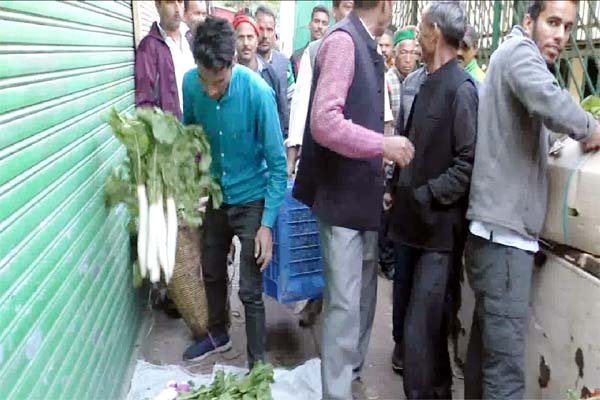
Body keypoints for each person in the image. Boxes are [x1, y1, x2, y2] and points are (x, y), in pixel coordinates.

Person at [464, 1, 600, 398]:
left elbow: (530, 130)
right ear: (528, 21)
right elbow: (550, 101)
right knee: (505, 374)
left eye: (568, 27)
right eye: (552, 22)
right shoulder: (520, 53)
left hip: (492, 235)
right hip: (505, 241)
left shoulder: (507, 60)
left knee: (484, 357)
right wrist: (590, 127)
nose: (560, 35)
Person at [293, 1, 415, 398]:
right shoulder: (344, 43)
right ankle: (337, 391)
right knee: (345, 310)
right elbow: (325, 122)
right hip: (342, 204)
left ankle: (347, 378)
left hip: (361, 200)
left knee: (361, 303)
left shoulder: (366, 44)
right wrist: (383, 145)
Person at [180, 17, 287, 368]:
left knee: (249, 288)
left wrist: (267, 225)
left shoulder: (258, 93)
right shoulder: (190, 86)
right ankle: (217, 333)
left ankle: (257, 364)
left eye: (220, 82)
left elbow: (277, 164)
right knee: (211, 270)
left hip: (252, 198)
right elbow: (191, 138)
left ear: (232, 65)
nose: (210, 90)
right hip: (214, 196)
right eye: (205, 80)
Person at [387, 2, 478, 398]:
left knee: (422, 334)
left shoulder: (462, 89)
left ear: (435, 33)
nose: (416, 35)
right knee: (414, 333)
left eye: (421, 29)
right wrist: (395, 187)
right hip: (409, 229)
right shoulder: (424, 83)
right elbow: (411, 146)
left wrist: (426, 195)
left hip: (438, 237)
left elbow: (467, 164)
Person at [135, 0, 195, 120]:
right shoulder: (149, 47)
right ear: (158, 5)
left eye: (180, 2)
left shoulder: (190, 39)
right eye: (170, 2)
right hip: (172, 130)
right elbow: (144, 101)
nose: (177, 8)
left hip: (196, 125)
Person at [233, 14, 289, 138]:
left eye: (250, 37)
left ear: (256, 39)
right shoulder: (227, 74)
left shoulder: (269, 74)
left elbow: (280, 114)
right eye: (241, 38)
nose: (246, 43)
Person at [256, 5, 295, 111]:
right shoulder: (244, 63)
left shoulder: (284, 63)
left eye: (269, 30)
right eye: (260, 29)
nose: (265, 35)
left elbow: (292, 100)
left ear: (274, 32)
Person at [386, 27, 418, 121]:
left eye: (412, 53)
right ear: (394, 54)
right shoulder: (387, 81)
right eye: (403, 53)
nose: (408, 60)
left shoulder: (418, 81)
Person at [290, 5, 331, 79]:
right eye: (316, 21)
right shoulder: (297, 57)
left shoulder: (331, 56)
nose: (320, 26)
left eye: (324, 23)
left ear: (328, 28)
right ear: (309, 25)